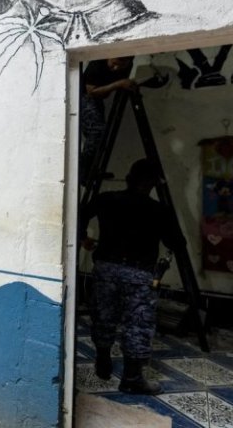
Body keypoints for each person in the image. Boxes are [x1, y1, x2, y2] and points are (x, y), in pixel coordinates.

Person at [79, 158, 186, 395]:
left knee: (103, 317)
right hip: (139, 274)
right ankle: (132, 378)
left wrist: (83, 238)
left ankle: (103, 362)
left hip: (106, 269)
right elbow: (176, 243)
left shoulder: (107, 199)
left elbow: (79, 214)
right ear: (153, 184)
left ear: (128, 179)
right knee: (137, 325)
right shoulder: (159, 210)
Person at [79, 57, 137, 184]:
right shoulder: (97, 62)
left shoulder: (128, 64)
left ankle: (92, 169)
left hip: (96, 100)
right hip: (82, 97)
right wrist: (119, 84)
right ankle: (83, 172)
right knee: (97, 131)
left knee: (101, 135)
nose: (116, 68)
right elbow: (91, 92)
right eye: (114, 63)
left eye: (121, 65)